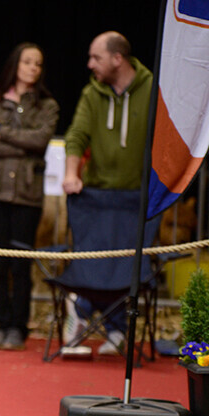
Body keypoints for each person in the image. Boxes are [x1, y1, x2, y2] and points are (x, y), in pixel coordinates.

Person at [61, 31, 152, 356]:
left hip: (136, 200)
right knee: (95, 261)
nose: (89, 64)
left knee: (124, 266)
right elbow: (77, 135)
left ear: (118, 59)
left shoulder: (153, 90)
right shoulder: (91, 92)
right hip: (96, 198)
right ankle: (80, 310)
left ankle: (116, 330)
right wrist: (72, 172)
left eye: (96, 57)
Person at [0, 43, 59, 351]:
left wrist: (4, 134)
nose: (33, 68)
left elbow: (41, 140)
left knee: (21, 264)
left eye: (38, 63)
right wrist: (21, 144)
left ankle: (18, 327)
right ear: (16, 65)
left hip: (27, 194)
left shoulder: (47, 105)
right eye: (27, 62)